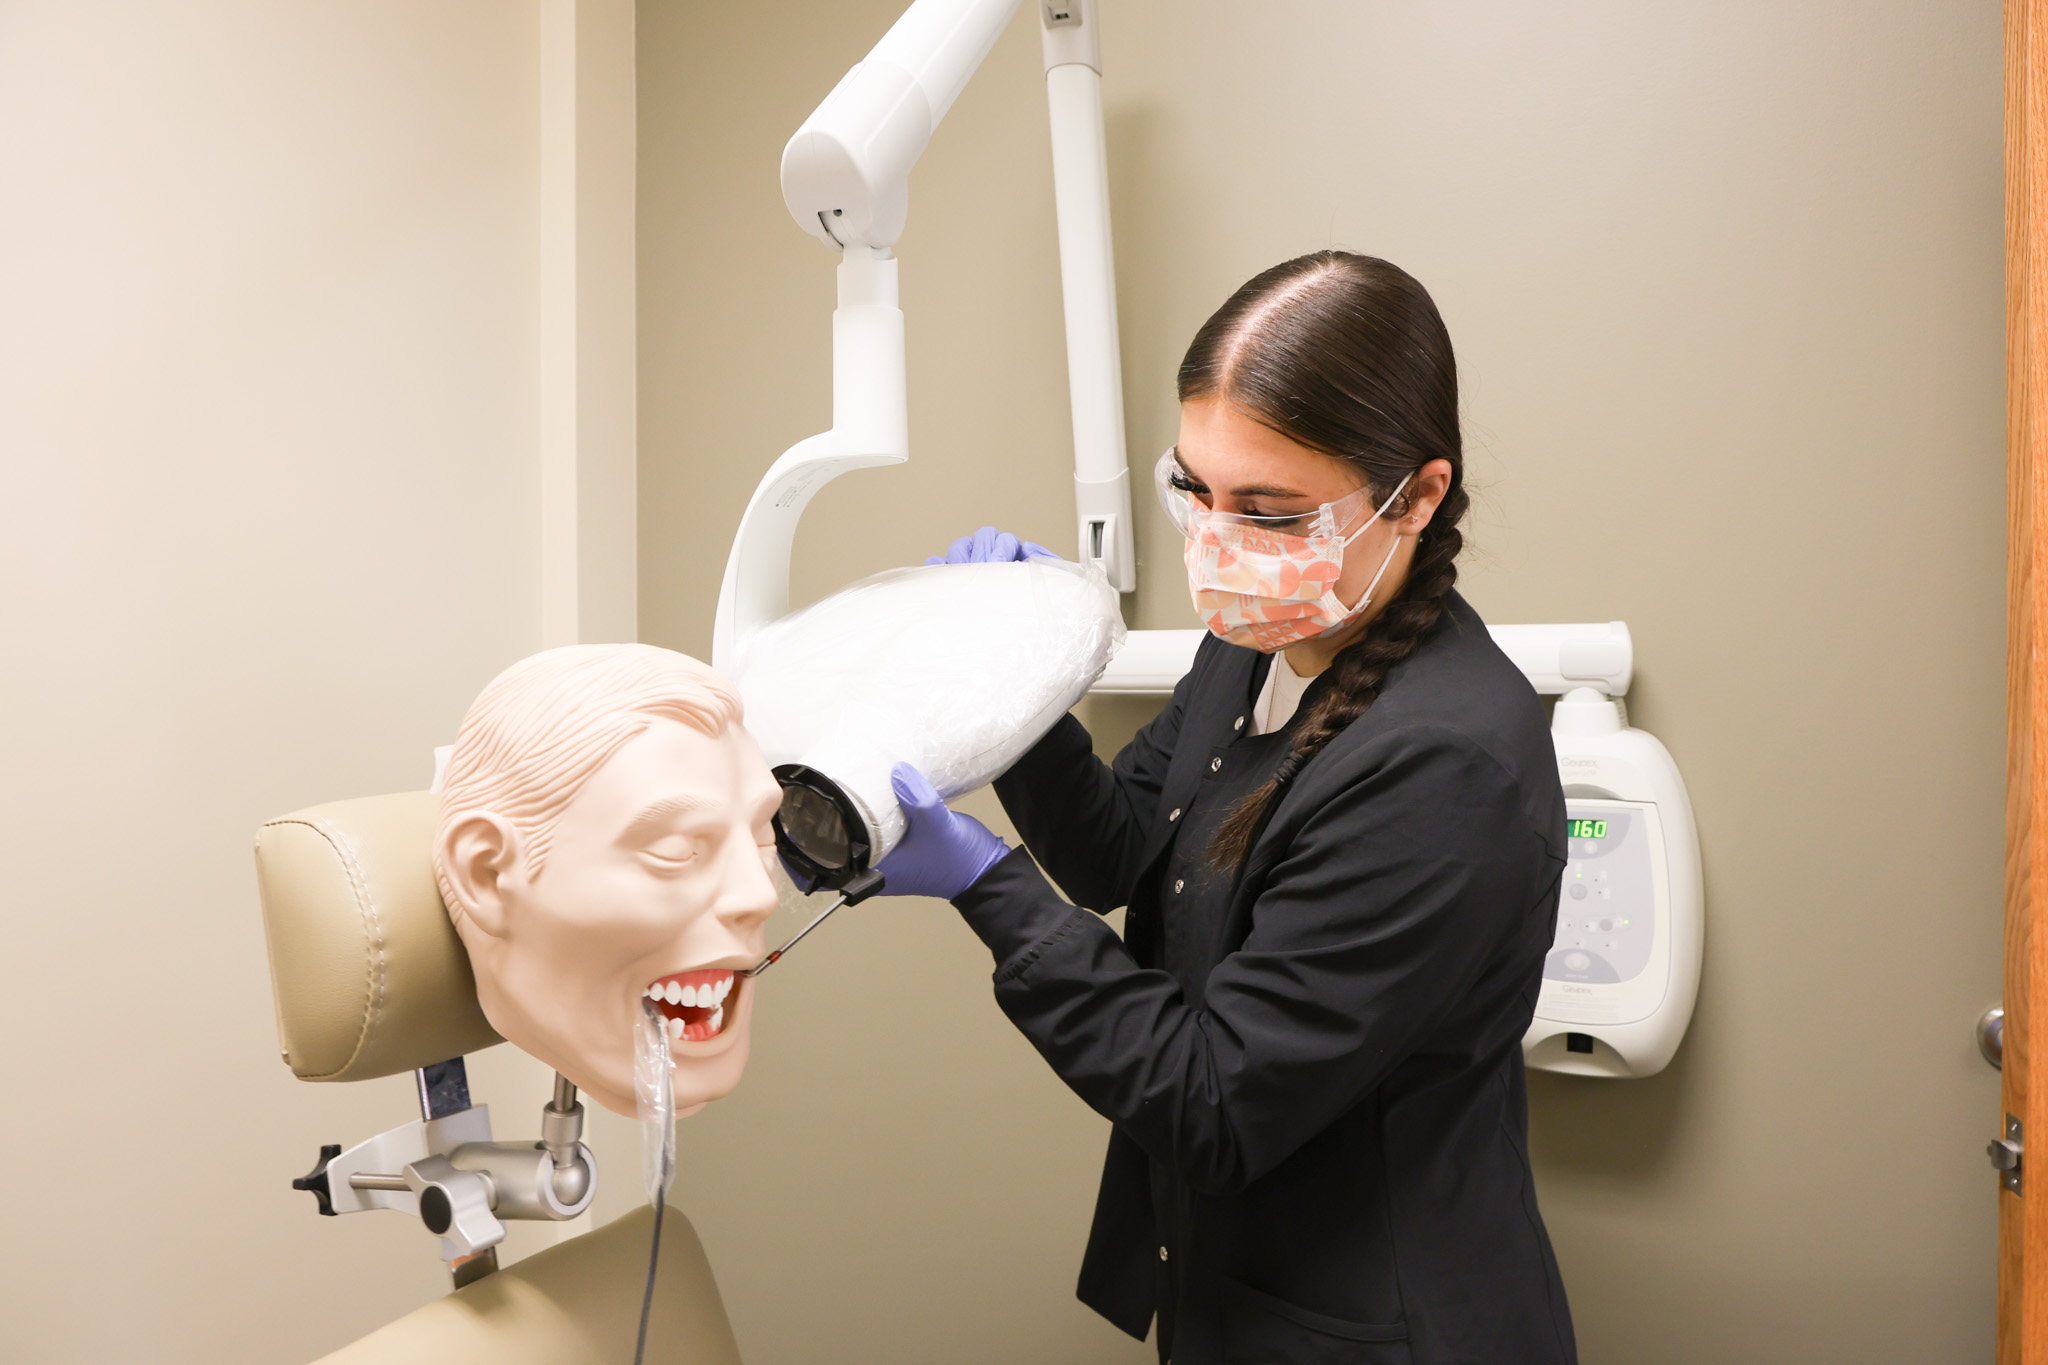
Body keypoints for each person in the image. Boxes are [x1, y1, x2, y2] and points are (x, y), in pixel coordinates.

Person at [881, 253, 1576, 1364]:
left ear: (1418, 495)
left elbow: (1211, 1097)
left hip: (1376, 1330)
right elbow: (1121, 852)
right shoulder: (1258, 638)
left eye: (1267, 509)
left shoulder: (1442, 769)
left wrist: (982, 880)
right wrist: (1018, 687)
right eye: (1194, 489)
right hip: (1229, 1282)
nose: (1217, 542)